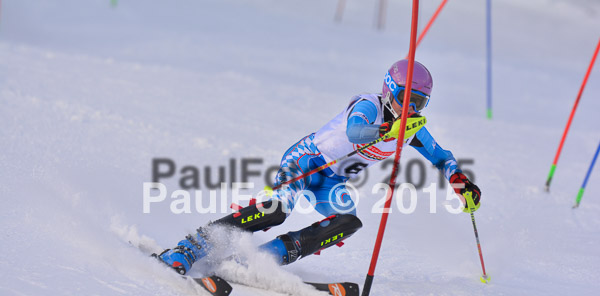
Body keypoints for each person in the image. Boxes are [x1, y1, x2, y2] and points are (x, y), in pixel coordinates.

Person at [156, 59, 481, 275]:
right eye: (404, 99)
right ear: (389, 90)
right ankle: (189, 248)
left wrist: (458, 179)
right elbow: (356, 131)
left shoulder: (411, 129)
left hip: (331, 181)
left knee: (347, 222)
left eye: (418, 104)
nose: (409, 110)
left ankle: (254, 262)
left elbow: (440, 155)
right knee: (276, 210)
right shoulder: (370, 105)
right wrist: (385, 131)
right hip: (305, 162)